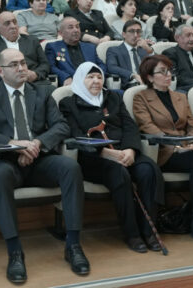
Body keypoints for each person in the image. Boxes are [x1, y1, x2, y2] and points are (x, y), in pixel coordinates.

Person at [0, 48, 89, 284]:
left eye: (23, 63)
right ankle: (14, 251)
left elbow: (61, 126)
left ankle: (73, 245)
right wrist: (13, 144)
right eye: (14, 65)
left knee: (70, 168)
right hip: (6, 162)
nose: (21, 68)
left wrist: (36, 144)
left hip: (40, 159)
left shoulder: (42, 92)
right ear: (1, 71)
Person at [60, 62, 165, 252]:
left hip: (124, 152)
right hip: (94, 159)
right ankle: (132, 234)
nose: (96, 81)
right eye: (90, 77)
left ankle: (149, 230)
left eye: (99, 77)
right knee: (119, 174)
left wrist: (131, 151)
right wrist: (107, 153)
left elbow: (130, 126)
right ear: (79, 80)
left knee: (149, 169)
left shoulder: (114, 98)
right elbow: (74, 134)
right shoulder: (68, 104)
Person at [133, 55, 193, 247]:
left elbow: (192, 126)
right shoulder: (141, 98)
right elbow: (148, 128)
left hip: (188, 148)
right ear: (149, 77)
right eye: (162, 72)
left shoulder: (180, 96)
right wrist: (178, 147)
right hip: (165, 152)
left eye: (169, 71)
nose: (168, 75)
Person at [0, 11, 51, 85]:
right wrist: (7, 75)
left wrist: (35, 74)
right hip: (2, 84)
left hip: (32, 84)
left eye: (15, 22)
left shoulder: (32, 40)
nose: (13, 26)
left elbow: (45, 64)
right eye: (7, 23)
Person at [45, 17, 106, 86]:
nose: (76, 30)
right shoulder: (53, 47)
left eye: (77, 27)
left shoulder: (90, 47)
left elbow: (101, 65)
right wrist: (65, 77)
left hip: (92, 83)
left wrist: (97, 76)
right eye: (71, 27)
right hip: (71, 84)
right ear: (61, 33)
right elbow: (51, 67)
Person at [163, 25, 193, 93]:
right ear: (177, 38)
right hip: (187, 88)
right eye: (188, 35)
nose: (192, 39)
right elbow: (175, 77)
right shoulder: (170, 53)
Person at [106, 19, 153, 89]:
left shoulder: (144, 50)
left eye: (138, 31)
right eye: (131, 31)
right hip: (129, 86)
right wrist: (133, 75)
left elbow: (160, 64)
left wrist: (149, 50)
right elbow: (112, 67)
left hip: (148, 84)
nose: (135, 35)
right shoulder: (114, 50)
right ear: (124, 34)